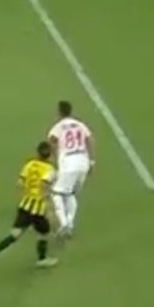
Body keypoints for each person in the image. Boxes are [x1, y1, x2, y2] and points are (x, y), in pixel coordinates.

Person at [0, 141, 58, 272]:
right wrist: (50, 209)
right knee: (44, 233)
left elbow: (19, 184)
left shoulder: (29, 164)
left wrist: (27, 195)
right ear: (50, 154)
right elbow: (44, 187)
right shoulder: (51, 170)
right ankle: (42, 259)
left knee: (14, 235)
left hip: (25, 204)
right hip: (39, 209)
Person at [46, 101, 94, 237]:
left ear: (59, 112)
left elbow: (52, 141)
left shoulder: (58, 127)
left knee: (57, 193)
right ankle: (70, 223)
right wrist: (92, 162)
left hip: (68, 163)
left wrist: (55, 159)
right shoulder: (80, 124)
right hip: (83, 162)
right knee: (71, 193)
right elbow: (90, 139)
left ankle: (64, 223)